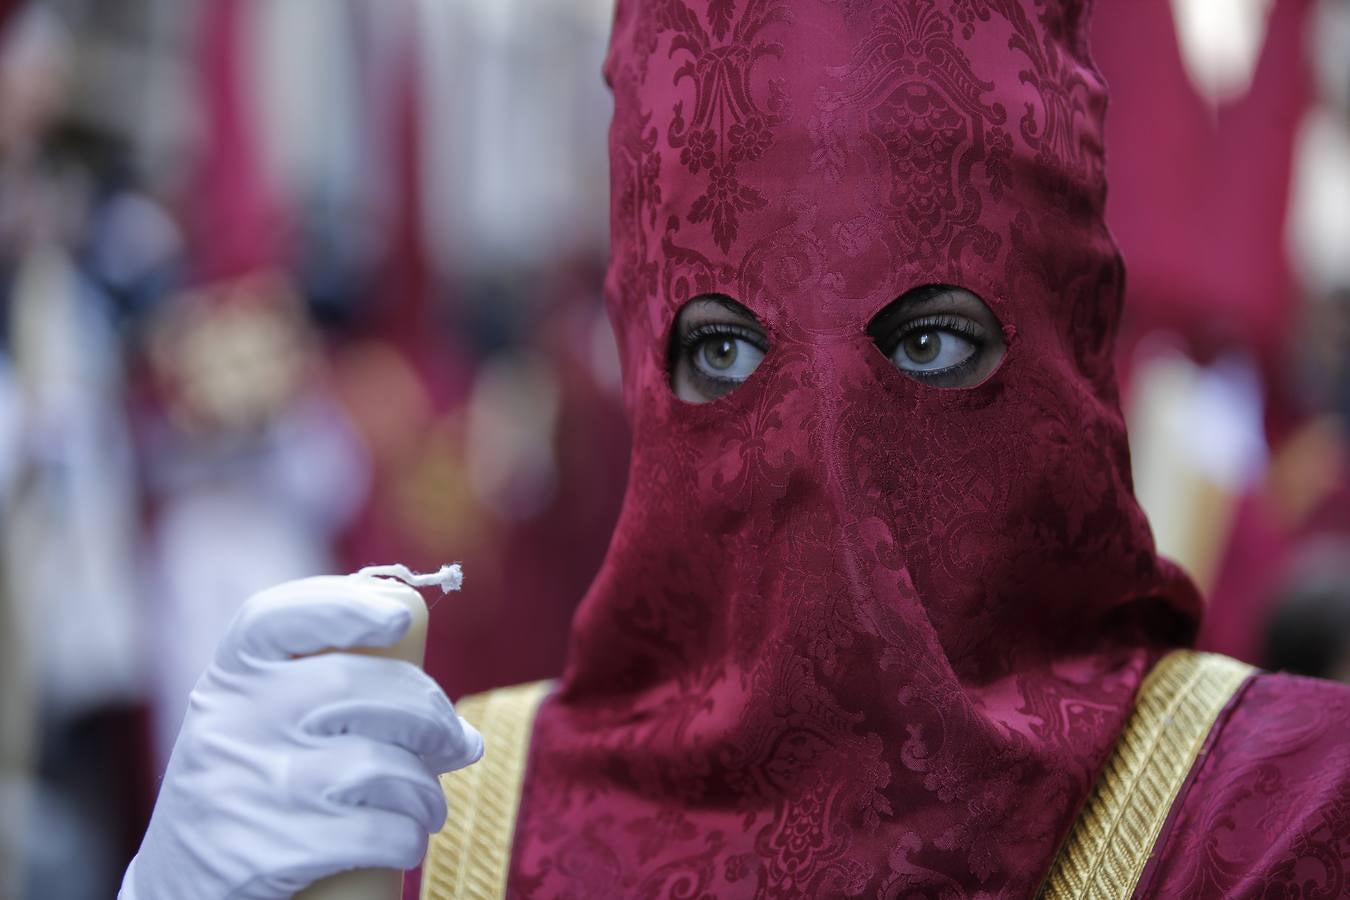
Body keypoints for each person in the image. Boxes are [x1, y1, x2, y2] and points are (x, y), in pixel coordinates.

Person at [122, 1, 1350, 898]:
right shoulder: (450, 832)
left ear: (1059, 343)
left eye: (924, 345)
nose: (823, 453)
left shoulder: (1280, 818)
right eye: (727, 354)